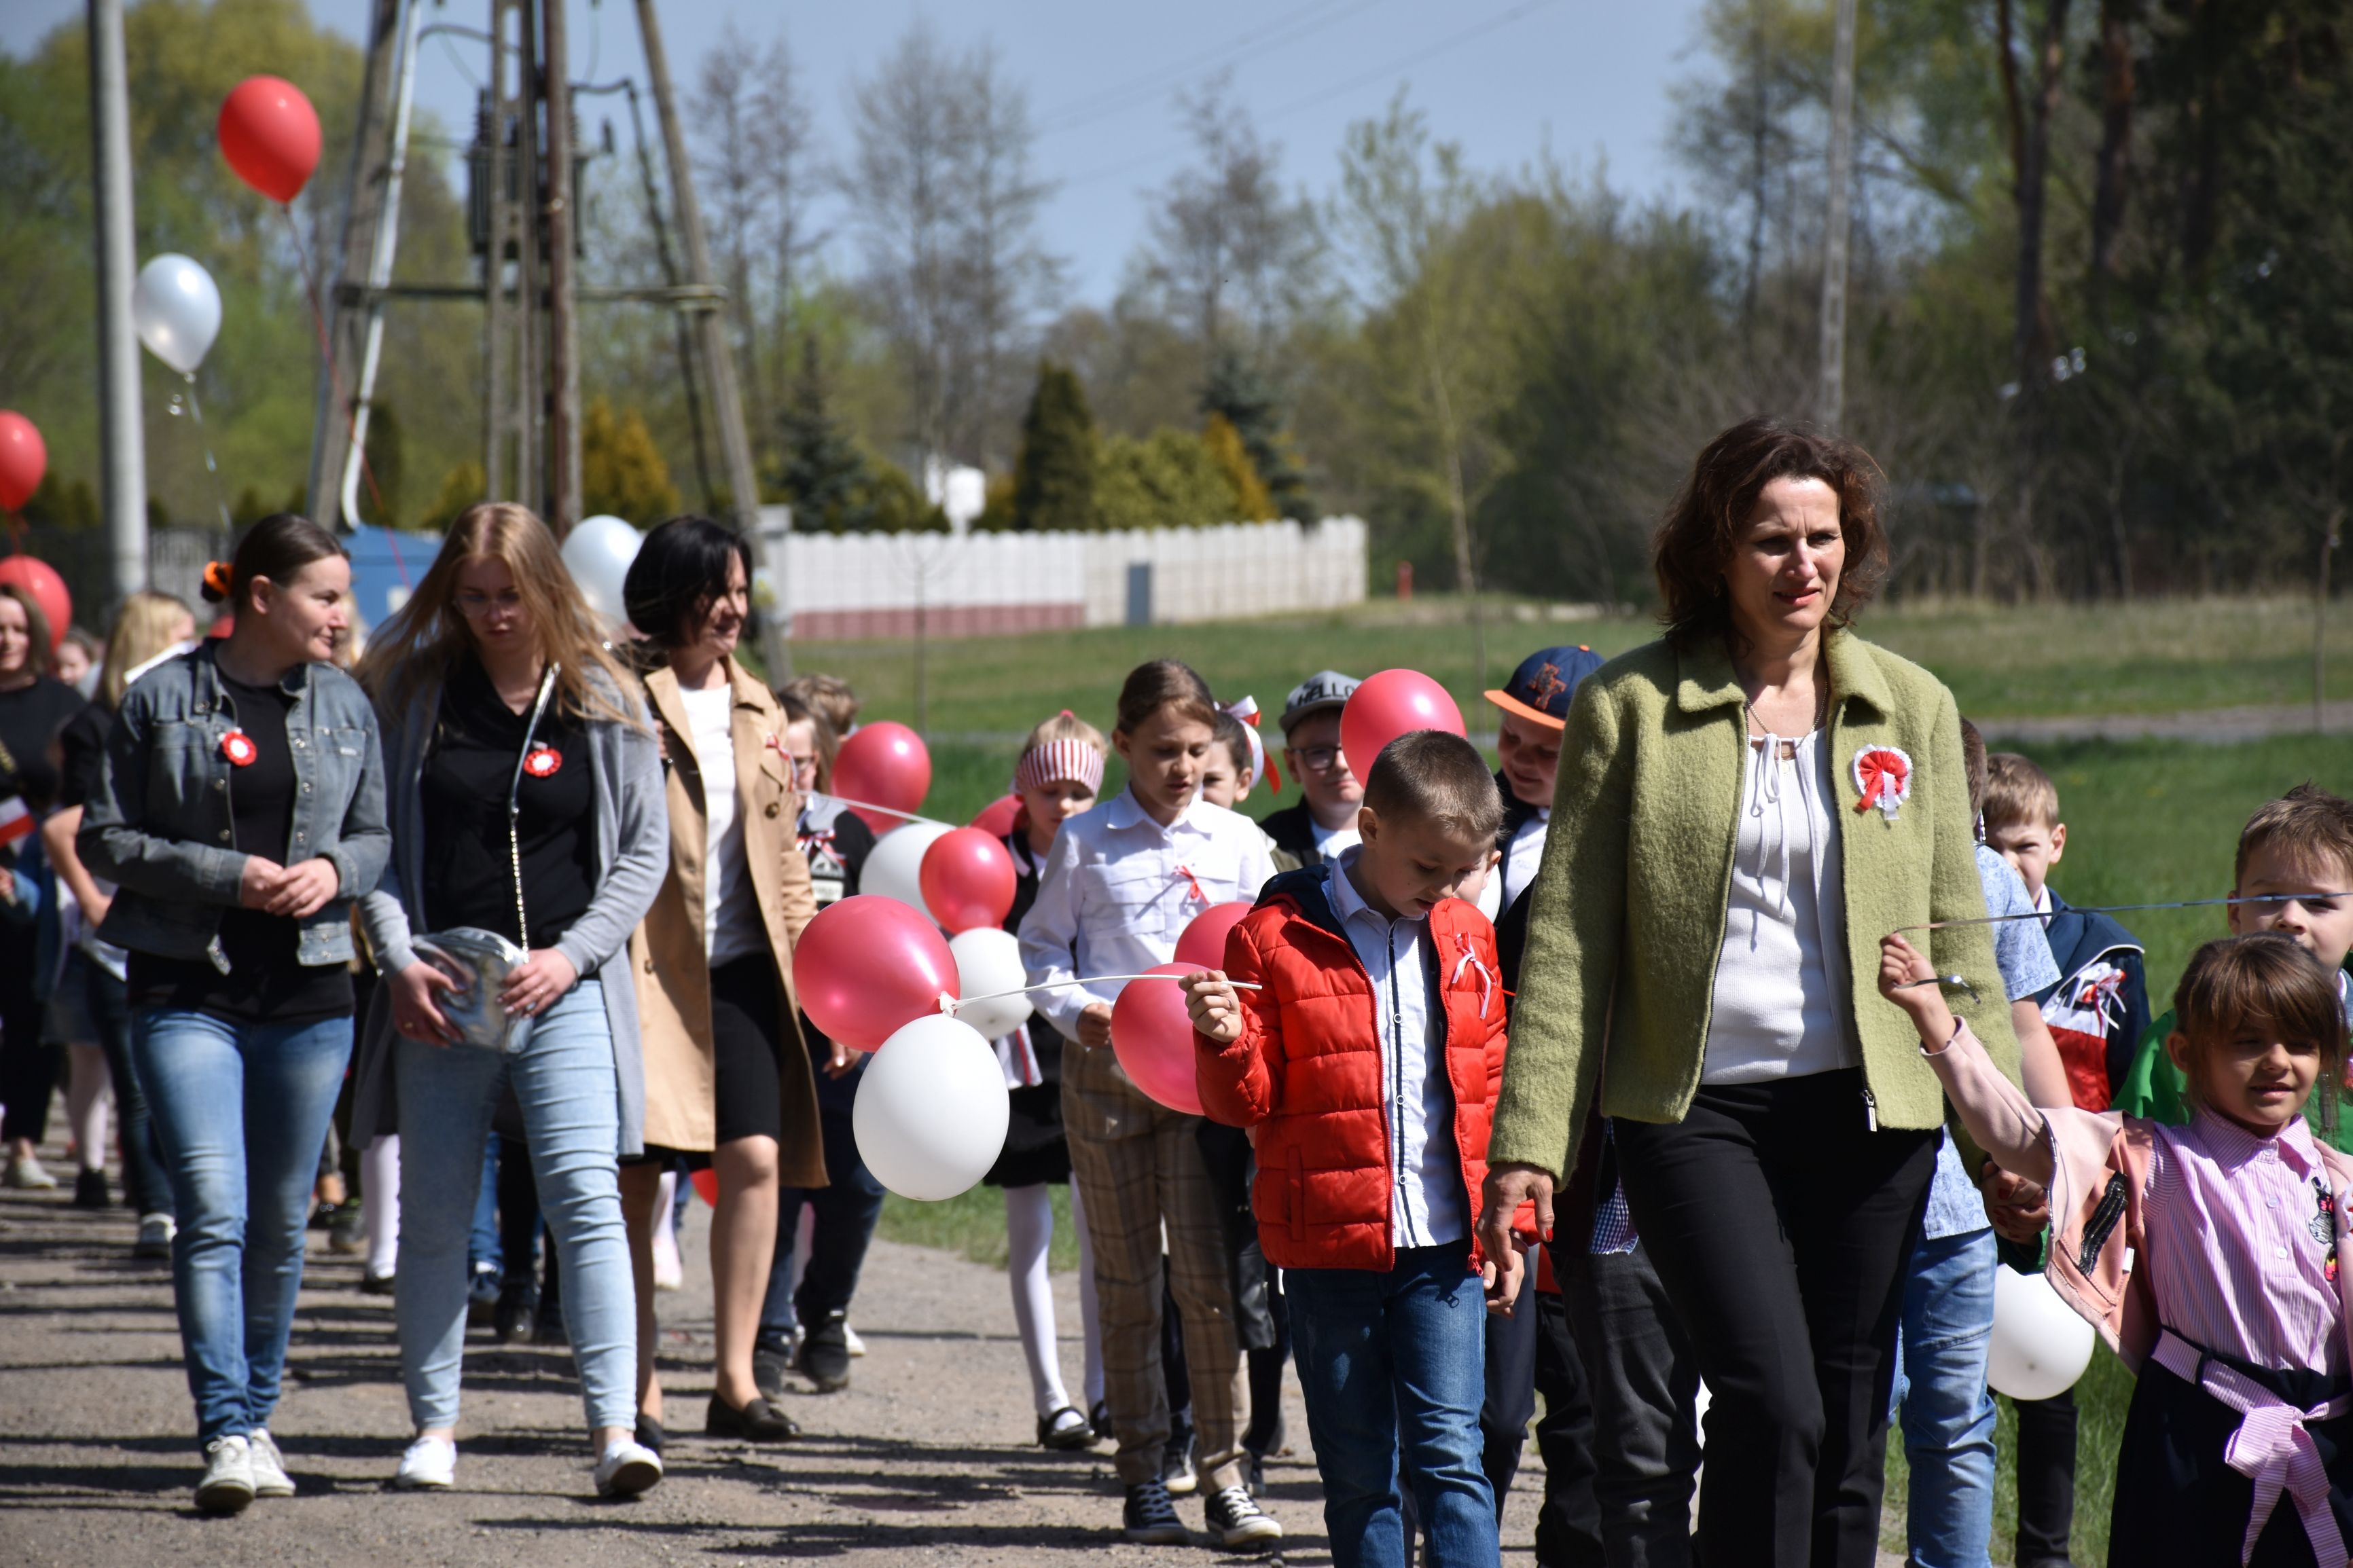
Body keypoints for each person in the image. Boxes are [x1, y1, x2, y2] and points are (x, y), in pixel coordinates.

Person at [1480, 418, 2019, 1568]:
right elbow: (1567, 941)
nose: (1801, 564)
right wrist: (1529, 1141)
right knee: (1771, 1400)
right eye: (1772, 539)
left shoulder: (1912, 705)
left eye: (1823, 536)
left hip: (1871, 1111)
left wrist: (2001, 1135)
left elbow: (1957, 936)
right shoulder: (1627, 706)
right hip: (1695, 1111)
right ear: (1715, 550)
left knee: (1846, 1428)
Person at [348, 503, 666, 1499]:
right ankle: (433, 1429)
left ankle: (616, 1431)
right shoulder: (414, 694)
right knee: (436, 1216)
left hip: (563, 987)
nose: (493, 614)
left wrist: (572, 958)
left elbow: (642, 853)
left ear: (548, 590)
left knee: (587, 1201)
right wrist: (397, 958)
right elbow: (374, 848)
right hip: (443, 990)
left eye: (511, 596)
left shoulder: (606, 694)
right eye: (474, 596)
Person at [78, 515, 389, 1513]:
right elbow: (105, 839)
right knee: (215, 1209)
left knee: (282, 1225)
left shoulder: (347, 701)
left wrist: (335, 869)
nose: (342, 614)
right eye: (325, 596)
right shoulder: (159, 696)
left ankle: (256, 1416)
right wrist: (228, 875)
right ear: (261, 596)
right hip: (187, 989)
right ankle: (225, 1426)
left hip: (310, 996)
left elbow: (376, 835)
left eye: (343, 595)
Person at [1882, 929, 2353, 1567]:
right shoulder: (2152, 1158)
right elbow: (2018, 1134)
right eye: (2248, 1042)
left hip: (2326, 1441)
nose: (2277, 1061)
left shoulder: (2339, 1181)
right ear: (2185, 1052)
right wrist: (1939, 1022)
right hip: (2195, 1436)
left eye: (2300, 1043)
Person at [1187, 729, 1509, 1568]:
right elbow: (1245, 1103)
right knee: (1361, 1469)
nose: (1444, 888)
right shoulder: (1271, 937)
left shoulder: (1467, 932)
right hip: (1327, 1250)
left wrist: (1505, 1220)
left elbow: (1489, 1081)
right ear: (1369, 826)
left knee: (1451, 1456)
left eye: (1461, 870)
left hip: (1443, 1246)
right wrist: (1224, 1040)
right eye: (1427, 866)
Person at [1019, 658, 1282, 1548]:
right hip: (1106, 1084)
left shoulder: (1238, 841)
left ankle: (1225, 1475)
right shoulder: (1086, 840)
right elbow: (1041, 950)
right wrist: (1077, 1012)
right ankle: (1142, 1473)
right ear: (1124, 743)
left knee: (1206, 1282)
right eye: (1164, 749)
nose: (1182, 767)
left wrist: (1240, 1027)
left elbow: (1266, 958)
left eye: (1197, 749)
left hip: (1203, 1085)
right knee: (1129, 1283)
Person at [616, 515, 823, 1448]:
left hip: (742, 972)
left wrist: (816, 980)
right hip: (640, 973)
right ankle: (637, 1385)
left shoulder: (760, 706)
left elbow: (785, 860)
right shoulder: (617, 694)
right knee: (635, 1181)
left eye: (742, 591)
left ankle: (735, 1380)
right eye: (716, 590)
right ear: (672, 594)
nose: (734, 609)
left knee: (756, 1161)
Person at [1886, 718, 2070, 1568]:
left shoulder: (1991, 878)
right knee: (1850, 1409)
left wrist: (2057, 1156)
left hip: (1956, 1205)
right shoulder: (1840, 874)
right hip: (1848, 1191)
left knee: (1955, 1420)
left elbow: (2025, 1030)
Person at [1983, 748, 2153, 1568]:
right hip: (1974, 1190)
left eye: (2022, 844)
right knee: (1962, 1378)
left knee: (2048, 1377)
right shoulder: (1956, 938)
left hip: (2071, 1195)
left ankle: (2044, 1554)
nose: (2006, 863)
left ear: (2055, 843)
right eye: (1988, 846)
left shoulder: (2107, 956)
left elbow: (2128, 1075)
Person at [40, 591, 196, 1247]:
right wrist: (95, 902)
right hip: (117, 939)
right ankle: (156, 1208)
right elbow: (63, 828)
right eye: (184, 636)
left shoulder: (192, 714)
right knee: (133, 1080)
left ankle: (176, 1199)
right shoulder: (104, 725)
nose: (197, 649)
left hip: (180, 929)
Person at [979, 710, 1108, 1450]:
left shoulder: (1097, 855)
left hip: (1089, 1051)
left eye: (1079, 791)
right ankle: (1050, 1397)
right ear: (1021, 790)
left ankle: (1101, 1389)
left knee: (1099, 1229)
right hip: (1015, 1060)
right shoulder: (990, 863)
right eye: (1049, 789)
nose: (1064, 804)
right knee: (1029, 1227)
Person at [753, 691, 886, 1398]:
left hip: (848, 1042)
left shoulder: (850, 832)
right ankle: (768, 1329)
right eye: (783, 760)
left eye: (804, 762)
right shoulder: (742, 824)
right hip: (767, 1032)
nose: (795, 774)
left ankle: (826, 1313)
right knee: (772, 1185)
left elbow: (881, 932)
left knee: (858, 1184)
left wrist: (861, 1021)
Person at [2113, 784, 2353, 1146]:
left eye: (2318, 903)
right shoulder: (2187, 1033)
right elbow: (2132, 1153)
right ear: (2235, 913)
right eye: (2270, 898)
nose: (2290, 918)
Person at [0, 583, 92, 1189]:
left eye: (16, 627)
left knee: (32, 1012)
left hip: (37, 877)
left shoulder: (63, 702)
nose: (6, 640)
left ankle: (24, 1141)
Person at [1258, 671, 1361, 871]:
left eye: (1352, 745)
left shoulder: (1410, 833)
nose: (1340, 764)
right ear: (1292, 765)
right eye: (1319, 752)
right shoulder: (1265, 846)